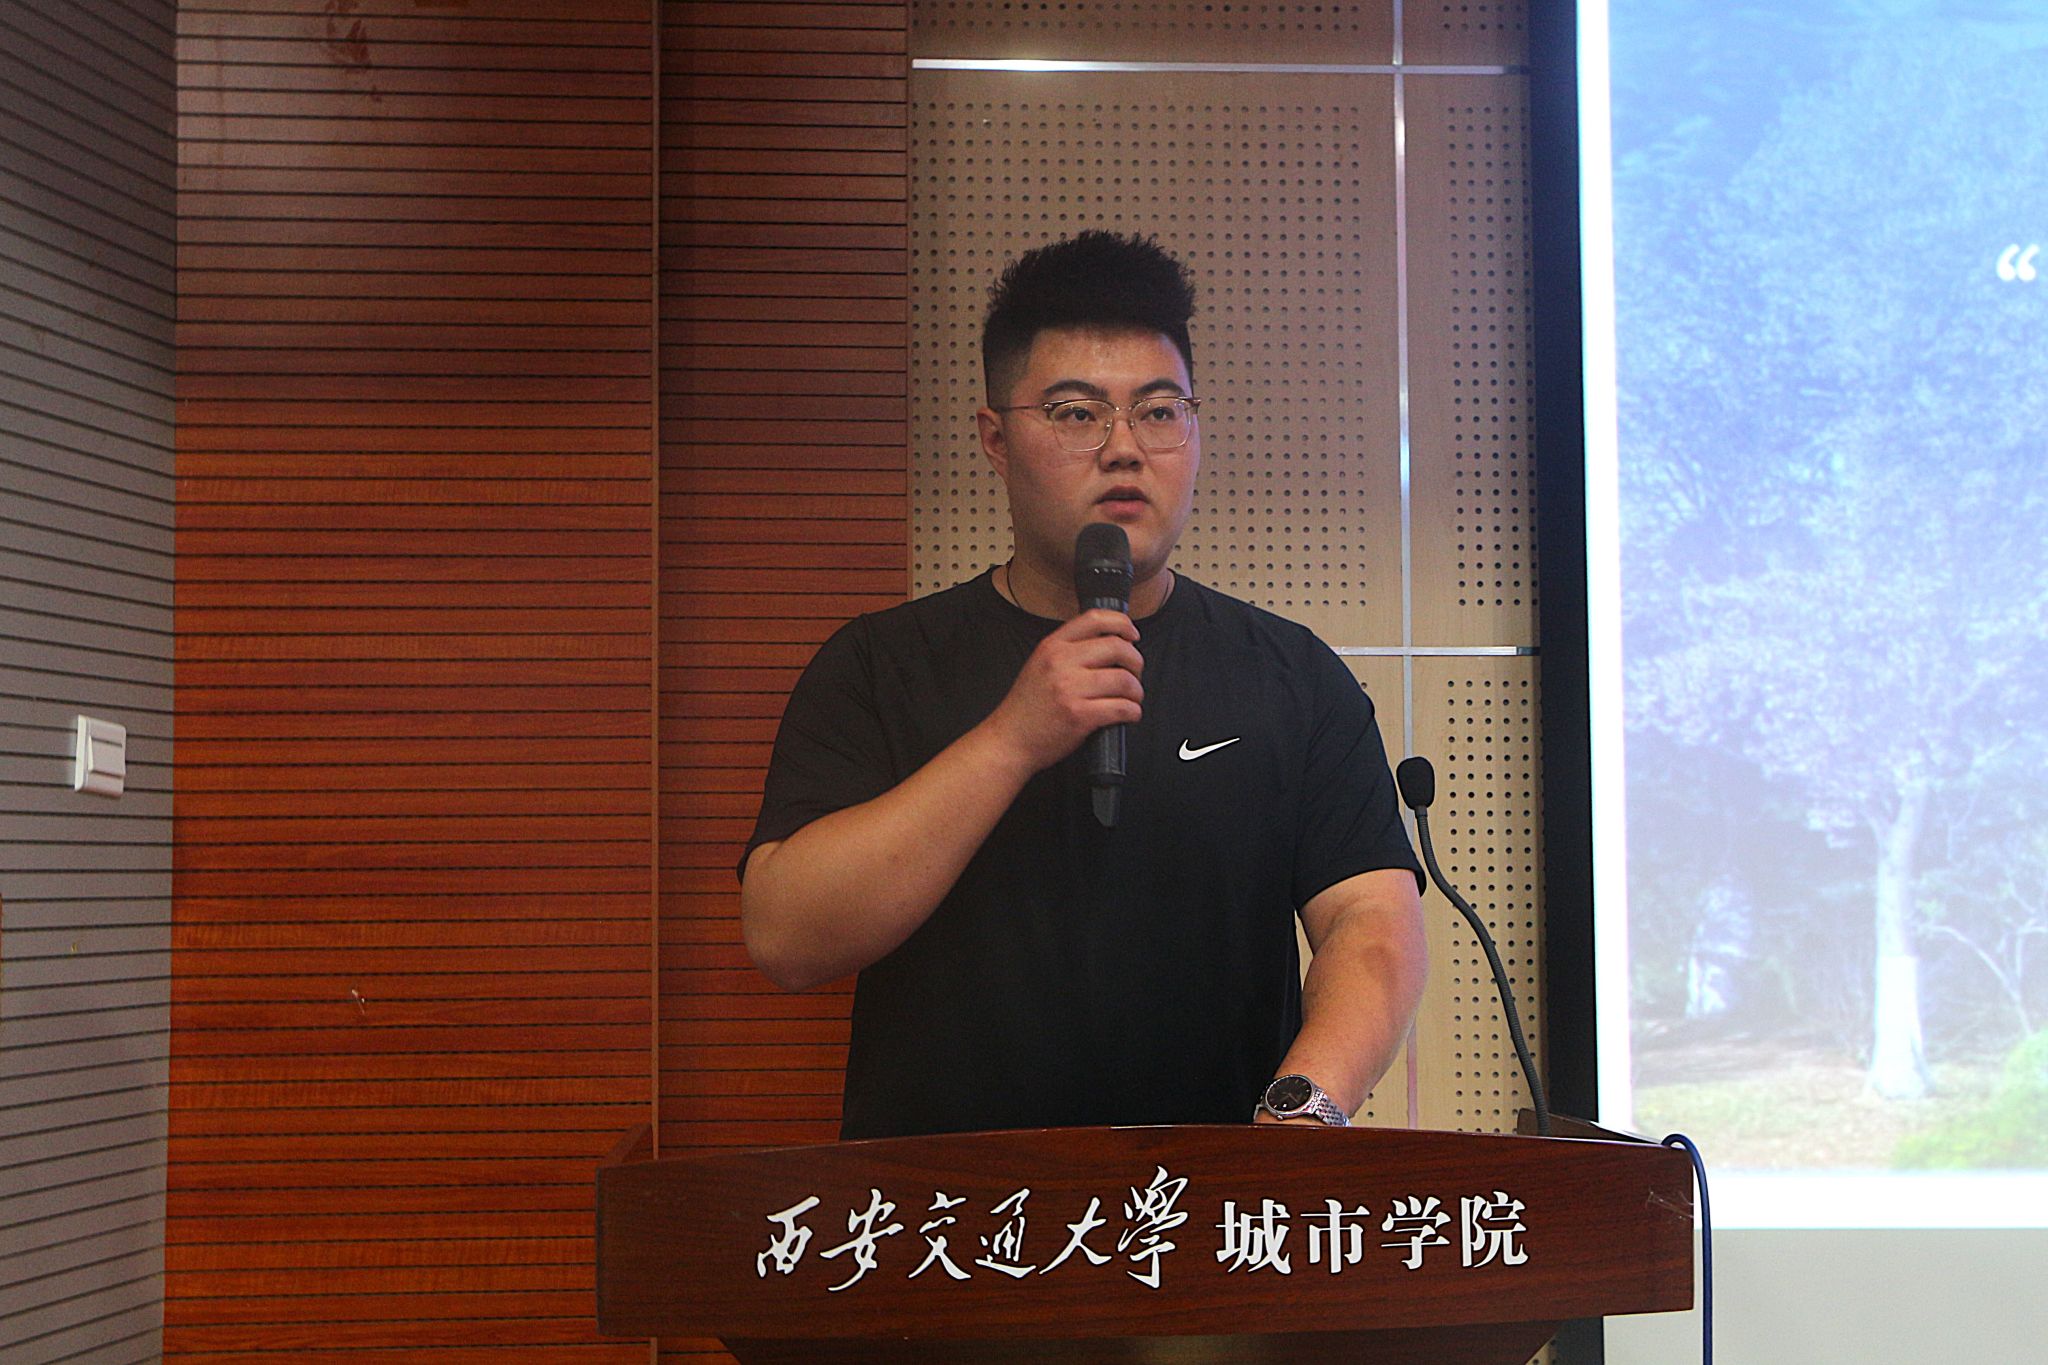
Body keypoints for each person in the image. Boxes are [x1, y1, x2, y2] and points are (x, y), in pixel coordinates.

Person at [739, 231, 1427, 1140]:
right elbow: (786, 936)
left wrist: (1305, 1111)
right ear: (996, 439)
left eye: (1158, 411)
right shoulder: (881, 664)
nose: (1124, 449)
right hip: (950, 1207)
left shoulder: (1291, 675)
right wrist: (1013, 737)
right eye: (1075, 413)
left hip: (1216, 1200)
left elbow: (1373, 924)